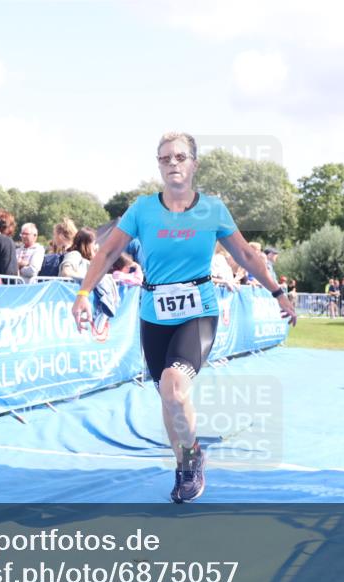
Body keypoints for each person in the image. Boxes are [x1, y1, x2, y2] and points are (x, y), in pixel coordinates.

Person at [71, 131, 296, 503]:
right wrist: (83, 293)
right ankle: (183, 463)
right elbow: (107, 252)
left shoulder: (213, 210)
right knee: (168, 396)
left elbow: (245, 254)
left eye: (179, 157)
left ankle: (192, 460)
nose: (172, 163)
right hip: (154, 314)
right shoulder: (142, 209)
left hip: (198, 311)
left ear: (194, 164)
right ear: (158, 166)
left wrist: (277, 291)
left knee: (175, 386)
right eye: (165, 158)